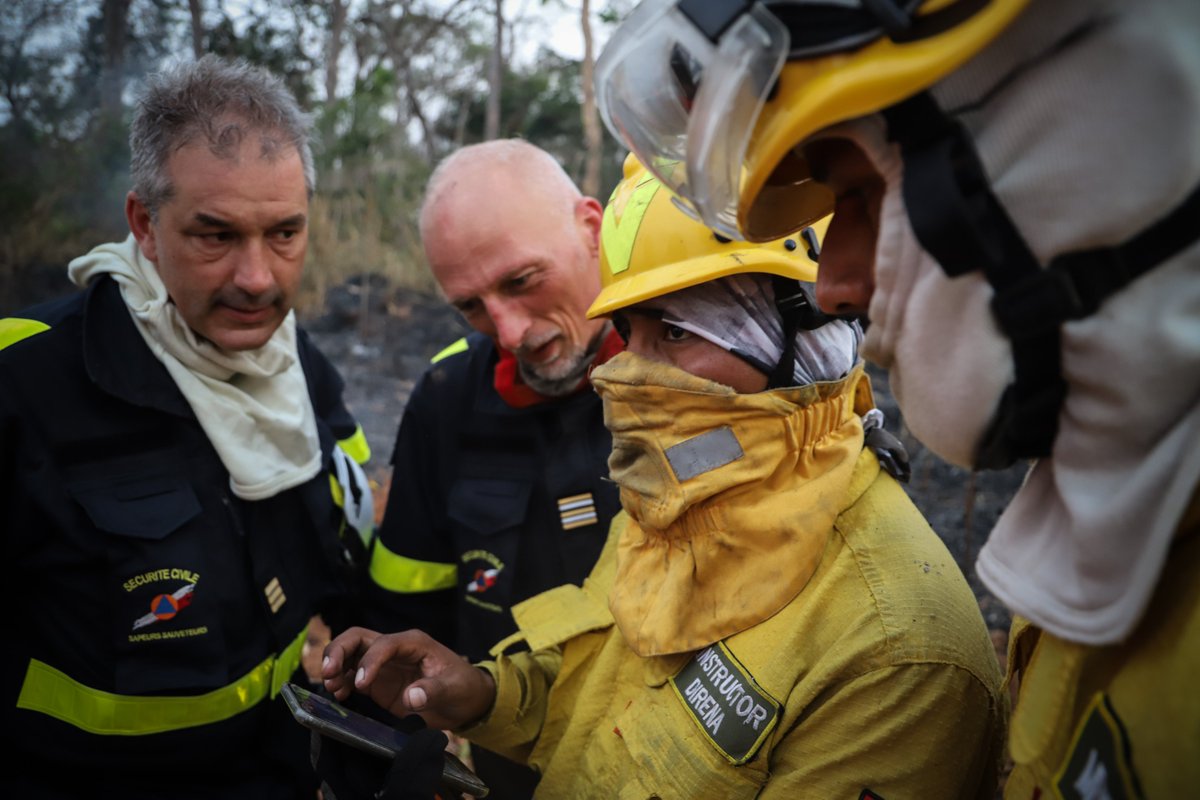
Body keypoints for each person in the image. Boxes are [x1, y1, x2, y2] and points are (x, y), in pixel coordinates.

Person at [591, 1, 1200, 797]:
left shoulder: (901, 638)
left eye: (868, 195)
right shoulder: (1110, 537)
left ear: (1082, 160)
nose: (837, 286)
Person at [320, 160, 1008, 799]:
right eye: (628, 333)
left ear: (802, 337)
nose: (624, 374)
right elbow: (600, 687)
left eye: (674, 332)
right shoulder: (680, 497)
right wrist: (483, 696)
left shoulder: (897, 657)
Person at [0, 55, 376, 798]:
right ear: (144, 223)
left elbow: (349, 552)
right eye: (216, 236)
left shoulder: (298, 365)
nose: (257, 278)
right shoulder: (24, 382)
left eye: (285, 233)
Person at [360, 139, 624, 797]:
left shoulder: (698, 368)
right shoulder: (447, 399)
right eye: (471, 306)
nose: (507, 332)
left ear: (591, 228)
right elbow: (403, 621)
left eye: (521, 281)